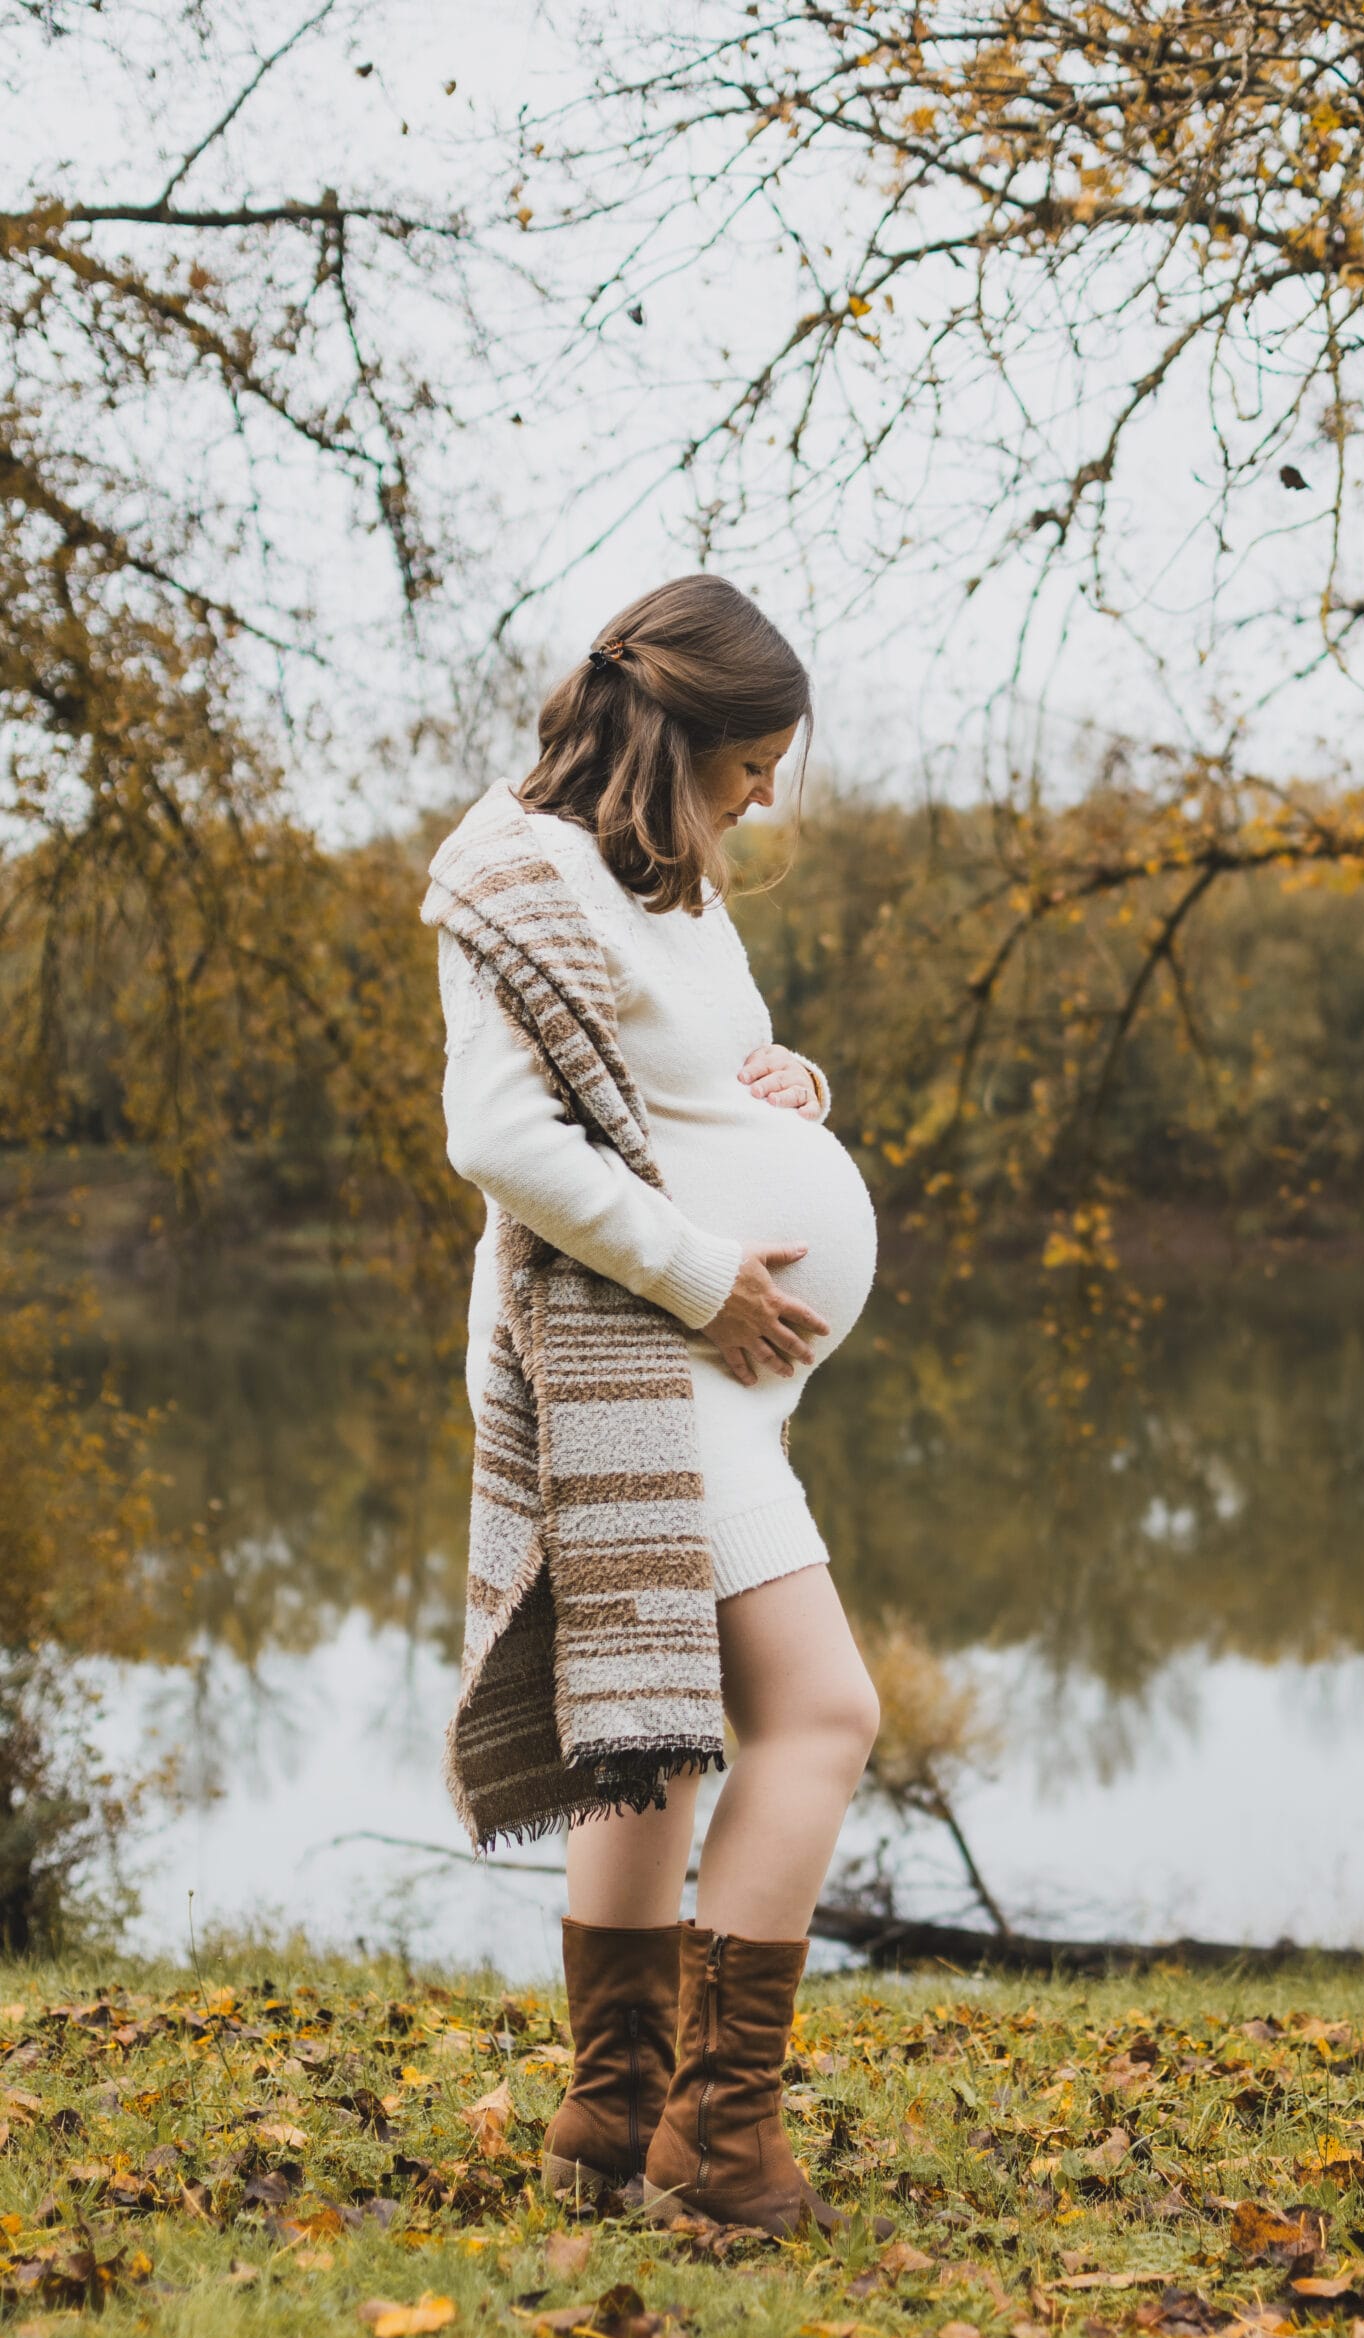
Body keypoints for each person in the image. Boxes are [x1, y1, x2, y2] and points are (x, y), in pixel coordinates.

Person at [434, 573, 882, 2236]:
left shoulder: (672, 879)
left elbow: (695, 1080)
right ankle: (724, 2137)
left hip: (713, 1373)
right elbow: (505, 1138)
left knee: (662, 1740)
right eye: (755, 758)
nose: (770, 791)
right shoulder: (519, 877)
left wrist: (795, 1095)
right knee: (824, 1715)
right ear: (680, 733)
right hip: (636, 1353)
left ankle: (612, 2114)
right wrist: (708, 1275)